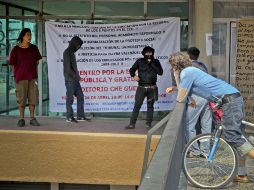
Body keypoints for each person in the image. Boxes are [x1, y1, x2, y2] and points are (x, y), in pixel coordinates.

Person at [168, 51, 254, 183]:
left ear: (174, 65)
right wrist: (178, 85)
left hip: (228, 101)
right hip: (232, 99)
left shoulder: (187, 73)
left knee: (233, 137)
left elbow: (181, 98)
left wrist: (176, 76)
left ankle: (242, 173)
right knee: (239, 138)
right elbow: (185, 94)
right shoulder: (192, 71)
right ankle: (242, 174)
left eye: (172, 66)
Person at [166, 47, 212, 158]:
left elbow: (182, 89)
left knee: (189, 125)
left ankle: (195, 151)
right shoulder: (201, 66)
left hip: (196, 97)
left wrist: (188, 98)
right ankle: (205, 151)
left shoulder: (180, 70)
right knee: (206, 125)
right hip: (208, 96)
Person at [9, 28, 42, 127]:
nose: (30, 37)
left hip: (32, 78)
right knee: (21, 99)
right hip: (20, 78)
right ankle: (21, 119)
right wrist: (17, 75)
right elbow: (12, 64)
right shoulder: (16, 49)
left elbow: (37, 61)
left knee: (33, 98)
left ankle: (32, 118)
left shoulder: (34, 48)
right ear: (23, 36)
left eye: (30, 35)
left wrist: (30, 70)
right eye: (28, 35)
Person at [125, 46, 163, 129]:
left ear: (152, 53)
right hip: (141, 87)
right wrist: (133, 76)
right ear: (143, 53)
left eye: (150, 53)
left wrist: (152, 63)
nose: (148, 54)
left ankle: (148, 124)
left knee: (150, 106)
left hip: (152, 88)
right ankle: (132, 124)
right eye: (147, 53)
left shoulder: (156, 61)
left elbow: (160, 72)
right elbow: (131, 69)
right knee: (137, 105)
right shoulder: (140, 61)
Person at [63, 36, 89, 123]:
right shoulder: (67, 52)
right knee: (70, 99)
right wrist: (75, 76)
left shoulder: (71, 52)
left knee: (80, 96)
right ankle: (69, 117)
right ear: (74, 43)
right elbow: (67, 68)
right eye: (78, 45)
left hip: (75, 80)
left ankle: (80, 116)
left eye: (79, 46)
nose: (78, 47)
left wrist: (76, 77)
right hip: (70, 80)